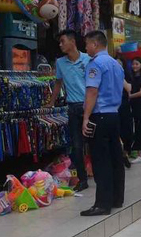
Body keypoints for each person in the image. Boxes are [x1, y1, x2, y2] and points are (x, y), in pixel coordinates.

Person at [80, 31, 125, 216]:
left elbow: (92, 91)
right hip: (114, 115)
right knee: (115, 158)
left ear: (95, 44)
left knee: (101, 160)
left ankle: (102, 204)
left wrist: (85, 118)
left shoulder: (95, 64)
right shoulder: (116, 64)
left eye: (87, 44)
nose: (86, 48)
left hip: (100, 116)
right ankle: (116, 198)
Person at [47, 30, 91, 192]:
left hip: (90, 106)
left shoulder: (88, 59)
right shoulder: (60, 63)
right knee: (77, 146)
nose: (60, 45)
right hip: (73, 108)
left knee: (95, 143)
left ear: (73, 42)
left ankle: (101, 174)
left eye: (63, 41)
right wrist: (51, 102)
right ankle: (83, 179)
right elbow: (58, 83)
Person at [115, 54, 133, 169]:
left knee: (127, 131)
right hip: (114, 107)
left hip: (124, 105)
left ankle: (125, 153)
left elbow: (129, 89)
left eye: (120, 63)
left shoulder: (125, 76)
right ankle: (120, 154)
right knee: (117, 131)